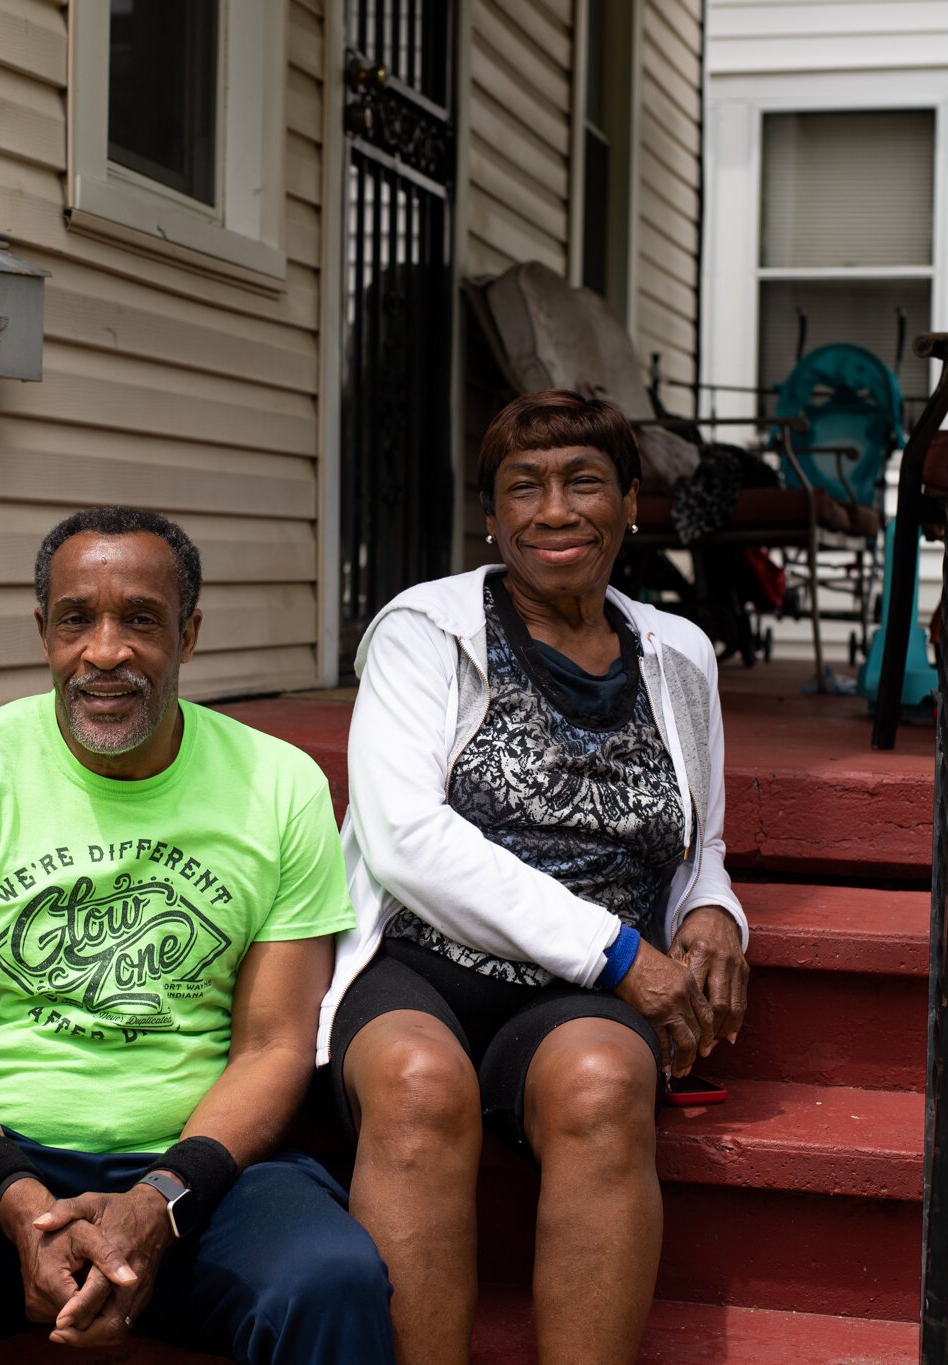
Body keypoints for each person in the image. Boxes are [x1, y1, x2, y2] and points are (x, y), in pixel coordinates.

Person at [0, 507, 394, 1365]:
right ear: (43, 631)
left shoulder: (278, 785)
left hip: (199, 1171)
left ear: (189, 633)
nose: (105, 651)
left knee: (329, 1280)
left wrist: (162, 1198)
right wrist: (12, 1197)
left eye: (140, 619)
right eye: (75, 619)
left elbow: (274, 1044)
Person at [321, 390, 752, 1364]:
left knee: (603, 1085)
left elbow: (697, 846)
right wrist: (619, 954)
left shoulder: (676, 654)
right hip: (423, 965)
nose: (553, 510)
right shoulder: (422, 629)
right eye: (524, 487)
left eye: (583, 481)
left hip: (578, 999)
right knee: (415, 1083)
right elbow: (402, 839)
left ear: (630, 503)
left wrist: (716, 917)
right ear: (489, 515)